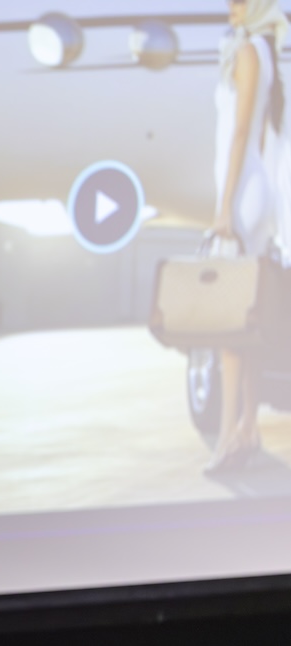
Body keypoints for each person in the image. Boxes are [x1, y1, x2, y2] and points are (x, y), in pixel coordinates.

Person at [205, 0, 288, 473]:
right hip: (252, 189)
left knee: (227, 322)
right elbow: (255, 138)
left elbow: (239, 134)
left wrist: (224, 207)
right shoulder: (265, 52)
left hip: (238, 195)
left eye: (240, 1)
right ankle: (248, 428)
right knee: (247, 318)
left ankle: (226, 438)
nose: (230, 6)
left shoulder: (248, 52)